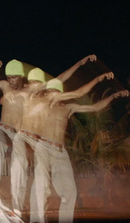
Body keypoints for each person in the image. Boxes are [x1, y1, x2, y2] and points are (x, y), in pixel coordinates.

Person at [14, 78, 129, 223]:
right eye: (50, 92)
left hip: (60, 153)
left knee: (70, 191)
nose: (52, 95)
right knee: (41, 183)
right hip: (43, 147)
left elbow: (95, 107)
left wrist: (112, 96)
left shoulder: (69, 108)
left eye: (55, 92)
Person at [9, 55, 99, 216]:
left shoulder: (49, 98)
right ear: (28, 84)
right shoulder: (26, 94)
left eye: (39, 85)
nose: (36, 87)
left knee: (47, 183)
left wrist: (79, 63)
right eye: (33, 84)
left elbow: (64, 79)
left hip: (41, 142)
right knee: (22, 166)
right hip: (25, 137)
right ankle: (16, 205)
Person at [0, 59, 34, 190]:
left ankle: (17, 191)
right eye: (9, 78)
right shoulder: (5, 86)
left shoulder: (28, 92)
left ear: (21, 76)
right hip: (1, 128)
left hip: (16, 133)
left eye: (14, 78)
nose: (11, 81)